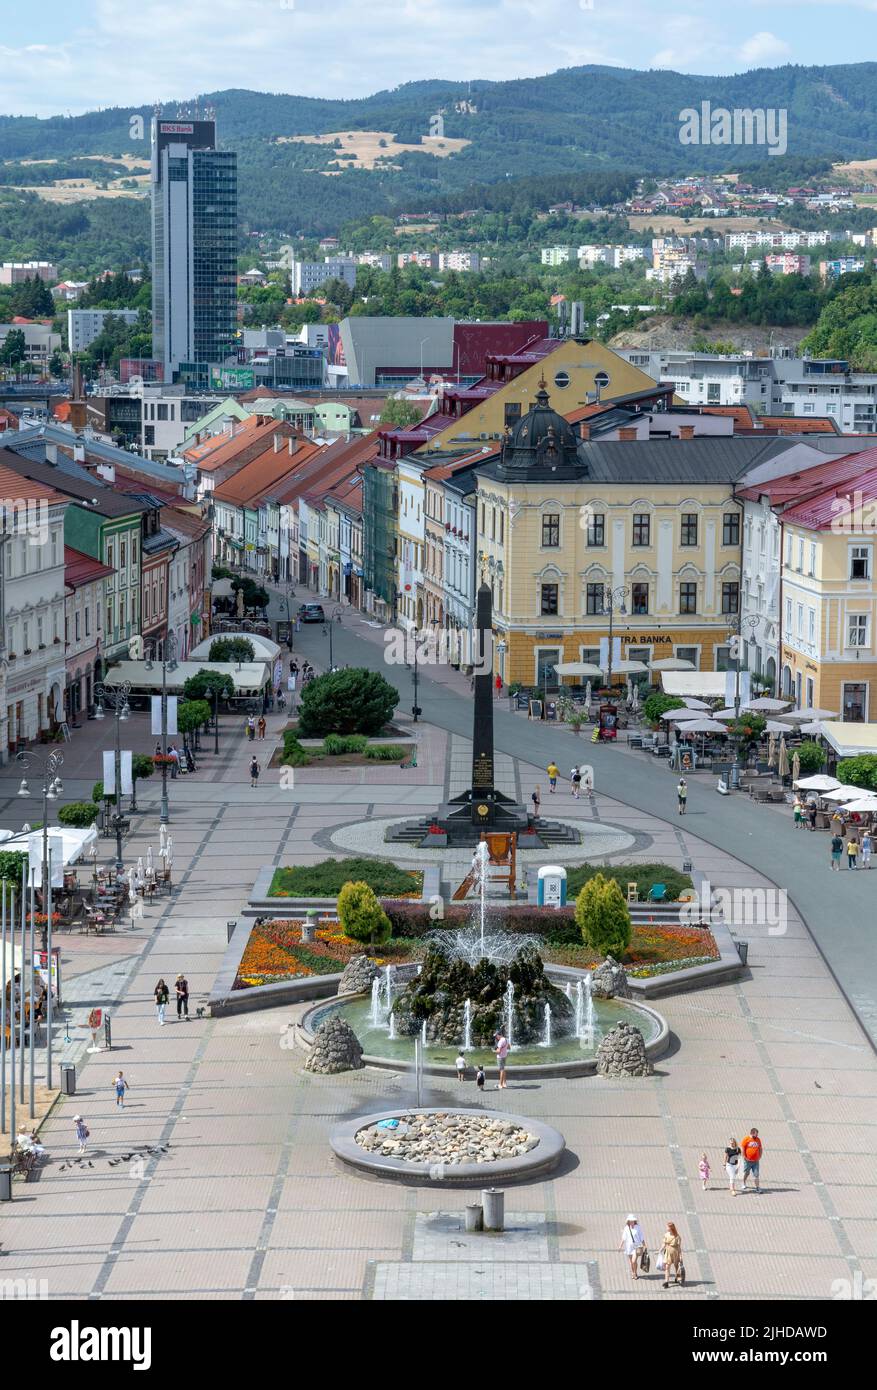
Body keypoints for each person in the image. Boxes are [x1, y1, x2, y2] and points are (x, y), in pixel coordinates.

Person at [619, 1215, 646, 1280]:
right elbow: (624, 1238)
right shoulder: (626, 1228)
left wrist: (644, 1245)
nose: (631, 1222)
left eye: (632, 1221)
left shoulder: (638, 1227)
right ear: (628, 1221)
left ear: (634, 1221)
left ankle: (635, 1273)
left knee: (634, 1261)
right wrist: (620, 1246)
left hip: (637, 1246)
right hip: (629, 1247)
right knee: (631, 1262)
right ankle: (633, 1273)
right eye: (630, 1221)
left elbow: (641, 1237)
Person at [660, 1222, 683, 1288]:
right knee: (667, 1267)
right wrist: (660, 1250)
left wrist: (681, 1256)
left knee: (677, 1267)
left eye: (667, 1227)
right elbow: (664, 1244)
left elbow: (679, 1247)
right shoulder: (666, 1235)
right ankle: (666, 1281)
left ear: (671, 1228)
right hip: (668, 1253)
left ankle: (677, 1278)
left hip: (675, 1253)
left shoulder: (677, 1236)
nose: (666, 1228)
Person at [741, 1128, 763, 1193]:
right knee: (746, 1173)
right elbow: (742, 1148)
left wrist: (760, 1156)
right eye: (756, 1134)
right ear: (752, 1133)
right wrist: (744, 1157)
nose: (757, 1135)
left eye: (757, 1134)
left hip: (756, 1161)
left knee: (756, 1175)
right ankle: (743, 1182)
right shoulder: (746, 1139)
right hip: (748, 1161)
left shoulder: (758, 1139)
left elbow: (760, 1148)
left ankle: (757, 1187)